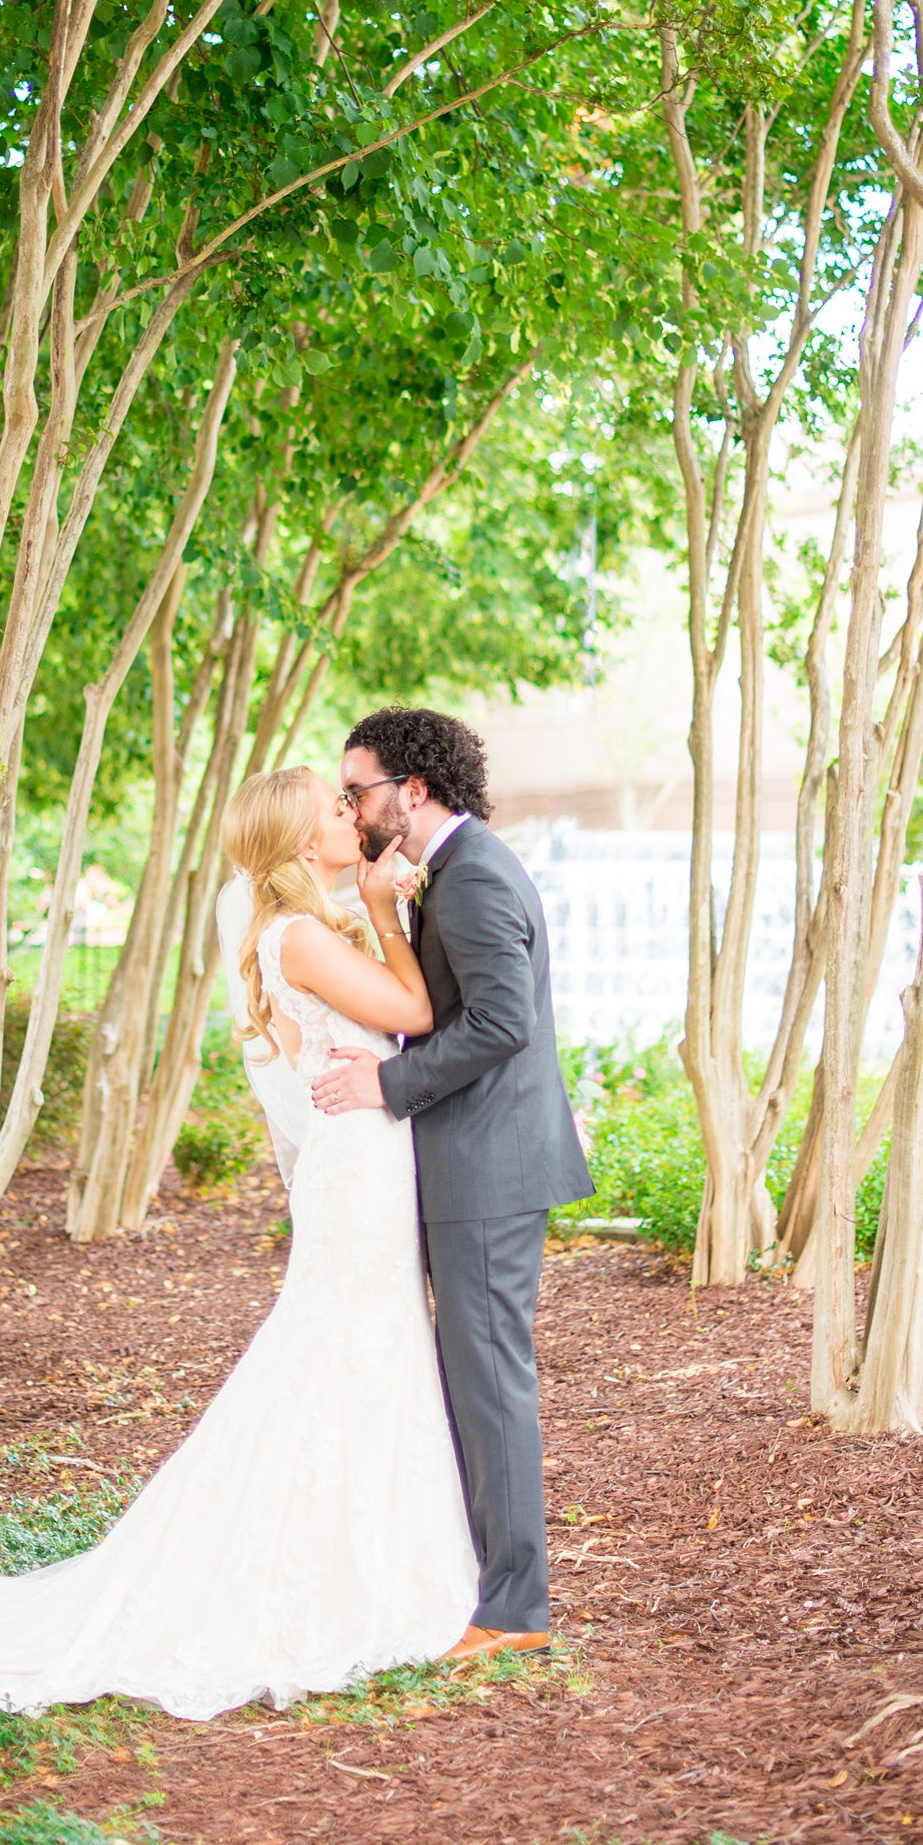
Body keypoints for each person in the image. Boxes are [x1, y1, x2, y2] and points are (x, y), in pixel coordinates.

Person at [0, 765, 476, 1721]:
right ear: (300, 842)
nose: (352, 814)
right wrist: (382, 908)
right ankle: (332, 1573)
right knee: (344, 1345)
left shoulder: (298, 928)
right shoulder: (300, 935)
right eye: (336, 810)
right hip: (357, 1170)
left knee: (365, 1345)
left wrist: (370, 912)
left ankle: (369, 1554)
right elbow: (413, 1017)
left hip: (363, 1161)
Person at [317, 706, 593, 1663]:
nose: (350, 808)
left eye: (358, 791)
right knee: (476, 1378)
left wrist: (386, 1083)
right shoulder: (453, 871)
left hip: (489, 1168)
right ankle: (485, 1583)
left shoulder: (473, 877)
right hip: (477, 1161)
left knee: (489, 1383)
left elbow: (503, 1023)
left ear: (416, 789)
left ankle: (515, 1611)